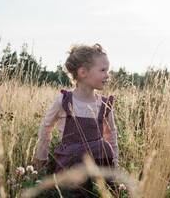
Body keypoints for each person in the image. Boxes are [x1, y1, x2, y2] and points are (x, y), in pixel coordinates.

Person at [32, 43, 119, 196]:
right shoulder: (64, 101)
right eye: (103, 70)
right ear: (83, 72)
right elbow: (46, 127)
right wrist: (41, 156)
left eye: (108, 70)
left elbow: (111, 134)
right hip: (70, 164)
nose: (107, 75)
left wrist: (114, 164)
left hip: (99, 163)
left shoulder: (104, 104)